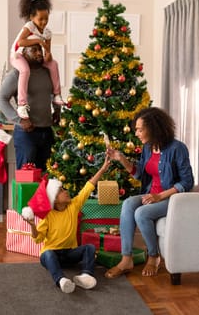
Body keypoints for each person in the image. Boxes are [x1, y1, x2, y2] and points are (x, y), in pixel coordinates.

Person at [105, 107, 194, 278]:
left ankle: (153, 256)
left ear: (153, 128)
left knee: (141, 213)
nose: (136, 133)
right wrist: (121, 158)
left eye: (139, 129)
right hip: (151, 194)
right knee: (128, 204)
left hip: (171, 198)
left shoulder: (177, 148)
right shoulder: (147, 148)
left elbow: (187, 182)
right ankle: (126, 258)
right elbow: (141, 174)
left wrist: (159, 196)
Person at [24, 155, 111, 293]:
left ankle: (86, 276)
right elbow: (37, 239)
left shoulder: (73, 206)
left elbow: (89, 186)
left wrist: (103, 168)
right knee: (47, 254)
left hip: (69, 254)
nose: (66, 192)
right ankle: (61, 280)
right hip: (53, 255)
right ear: (55, 200)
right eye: (61, 191)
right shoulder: (49, 216)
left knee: (89, 248)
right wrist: (32, 225)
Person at [0, 43, 61, 172]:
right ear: (24, 53)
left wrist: (57, 111)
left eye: (40, 50)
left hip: (47, 132)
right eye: (34, 50)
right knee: (27, 180)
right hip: (26, 134)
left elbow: (54, 93)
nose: (39, 53)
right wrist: (19, 120)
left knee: (46, 179)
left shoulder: (48, 72)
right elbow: (1, 100)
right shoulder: (16, 74)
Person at [10, 0, 64, 119]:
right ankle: (22, 104)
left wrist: (48, 55)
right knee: (25, 70)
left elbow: (47, 52)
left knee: (54, 64)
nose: (44, 22)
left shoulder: (47, 32)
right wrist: (38, 40)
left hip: (33, 57)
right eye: (40, 19)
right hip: (18, 55)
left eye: (46, 18)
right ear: (31, 17)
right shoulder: (29, 27)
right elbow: (21, 42)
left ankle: (57, 95)